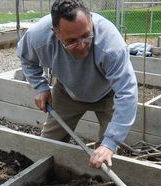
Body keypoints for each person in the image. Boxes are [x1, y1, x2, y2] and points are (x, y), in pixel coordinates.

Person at [17, 0, 138, 169]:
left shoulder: (111, 46)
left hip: (107, 93)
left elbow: (127, 92)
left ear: (90, 21)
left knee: (106, 154)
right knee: (49, 145)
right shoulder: (38, 37)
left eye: (86, 35)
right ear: (55, 33)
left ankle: (101, 185)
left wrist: (110, 142)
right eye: (72, 41)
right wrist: (41, 87)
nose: (81, 46)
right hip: (67, 91)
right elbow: (26, 58)